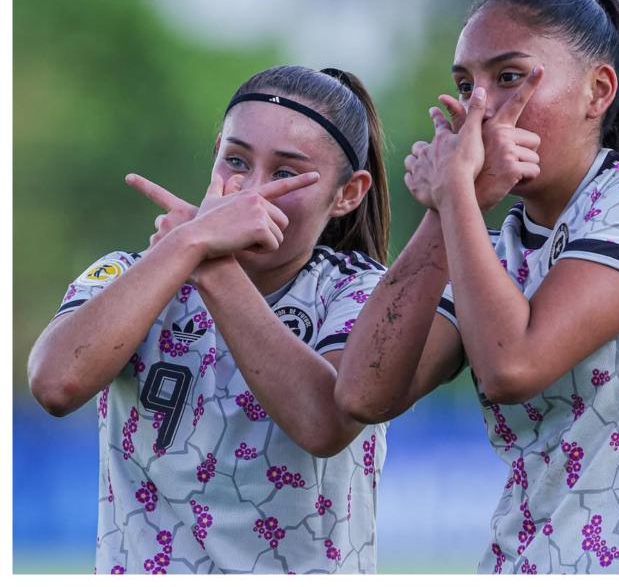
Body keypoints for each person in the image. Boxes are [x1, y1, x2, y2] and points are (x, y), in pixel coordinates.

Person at [335, 0, 619, 574]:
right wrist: (446, 212)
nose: (480, 110)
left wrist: (455, 198)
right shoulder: (493, 247)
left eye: (508, 78)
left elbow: (513, 365)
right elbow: (363, 392)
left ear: (597, 91)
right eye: (464, 86)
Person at [27, 65, 391, 574]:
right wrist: (187, 245)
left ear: (348, 193)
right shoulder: (132, 273)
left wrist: (213, 268)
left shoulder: (365, 290)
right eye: (236, 160)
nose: (249, 190)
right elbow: (55, 383)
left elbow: (324, 422)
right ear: (217, 149)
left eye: (286, 173)